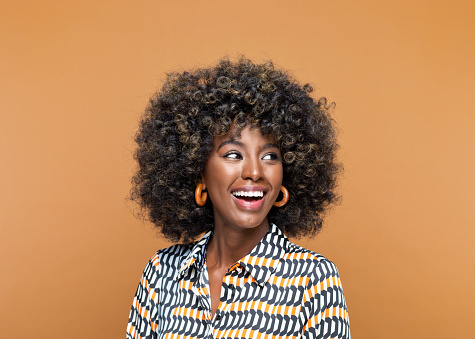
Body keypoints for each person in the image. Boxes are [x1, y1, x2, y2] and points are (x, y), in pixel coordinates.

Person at [126, 56, 350, 339]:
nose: (255, 171)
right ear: (199, 172)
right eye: (233, 154)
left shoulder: (313, 280)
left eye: (270, 156)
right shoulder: (161, 273)